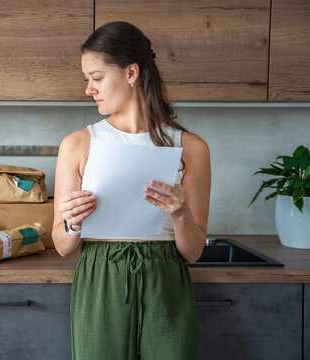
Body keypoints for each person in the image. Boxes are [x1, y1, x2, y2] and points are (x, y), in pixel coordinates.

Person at [52, 21, 211, 360]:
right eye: (87, 80)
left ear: (131, 73)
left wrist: (180, 213)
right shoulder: (78, 144)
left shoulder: (191, 148)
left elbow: (194, 252)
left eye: (96, 78)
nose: (88, 89)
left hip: (166, 277)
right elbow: (63, 245)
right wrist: (73, 222)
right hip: (100, 275)